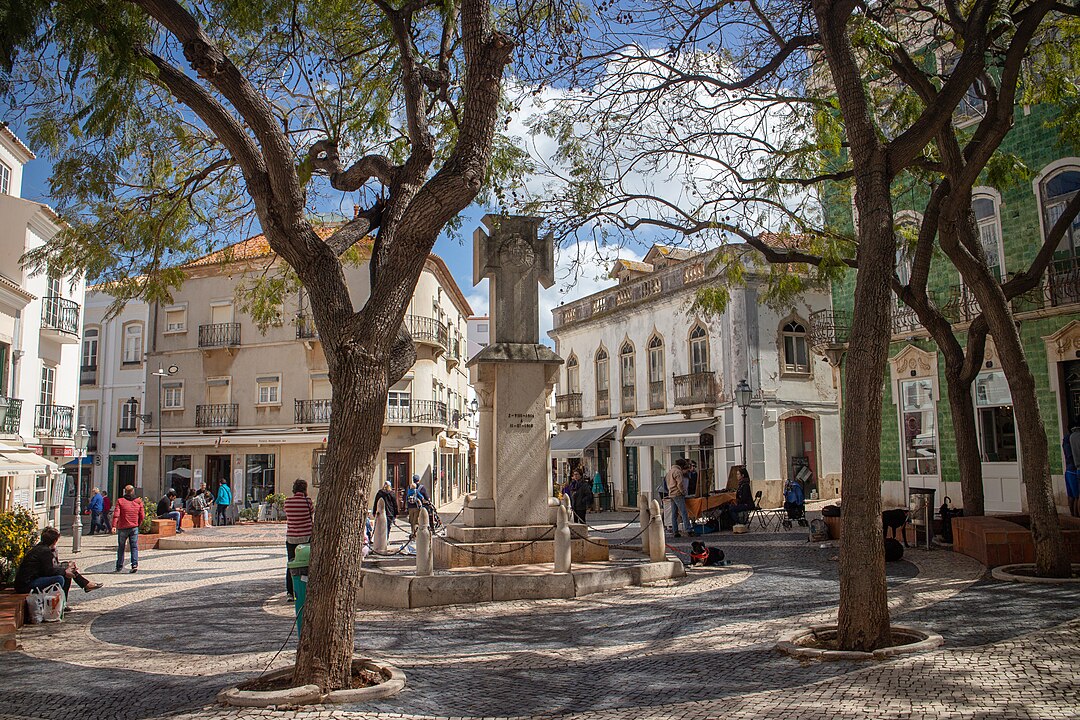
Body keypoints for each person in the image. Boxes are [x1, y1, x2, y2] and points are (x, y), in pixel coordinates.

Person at [15, 527, 103, 599]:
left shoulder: (43, 548)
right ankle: (84, 585)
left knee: (66, 570)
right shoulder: (44, 551)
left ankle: (65, 601)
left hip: (32, 579)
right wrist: (65, 571)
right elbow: (48, 571)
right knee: (60, 578)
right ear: (54, 541)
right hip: (26, 584)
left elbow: (49, 567)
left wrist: (66, 567)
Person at [283, 478, 314, 601]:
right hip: (306, 536)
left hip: (291, 537)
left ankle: (290, 592)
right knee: (307, 564)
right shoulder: (307, 502)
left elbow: (287, 514)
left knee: (291, 563)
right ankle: (306, 588)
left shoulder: (287, 502)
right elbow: (312, 513)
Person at [111, 485, 145, 573]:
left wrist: (114, 526)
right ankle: (134, 564)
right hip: (134, 527)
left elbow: (116, 514)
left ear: (125, 492)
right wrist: (139, 524)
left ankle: (119, 566)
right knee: (134, 546)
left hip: (123, 527)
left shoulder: (120, 501)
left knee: (121, 547)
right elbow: (142, 515)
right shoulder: (138, 501)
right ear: (133, 491)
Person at [666, 458, 690, 537]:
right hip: (677, 494)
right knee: (684, 512)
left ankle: (675, 531)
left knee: (674, 514)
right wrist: (683, 492)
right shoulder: (678, 471)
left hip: (671, 493)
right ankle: (688, 529)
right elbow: (679, 484)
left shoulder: (670, 471)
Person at [1067, 426, 1080, 517]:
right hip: (1074, 469)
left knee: (1073, 496)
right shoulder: (1077, 436)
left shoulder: (1069, 437)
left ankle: (1074, 515)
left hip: (1072, 468)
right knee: (1077, 496)